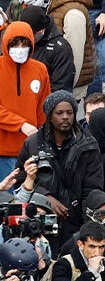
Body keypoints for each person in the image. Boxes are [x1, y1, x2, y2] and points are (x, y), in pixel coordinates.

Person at [14, 90, 104, 244]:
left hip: (76, 219)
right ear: (49, 116)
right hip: (41, 218)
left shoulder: (88, 144)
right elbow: (21, 179)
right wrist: (46, 197)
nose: (65, 117)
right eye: (59, 113)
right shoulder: (33, 143)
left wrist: (85, 223)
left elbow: (94, 186)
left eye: (70, 112)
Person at [35, 0, 96, 97]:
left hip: (68, 89)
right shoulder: (57, 0)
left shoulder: (73, 12)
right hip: (59, 84)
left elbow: (75, 56)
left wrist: (64, 92)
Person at [0, 21, 49, 180]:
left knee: (27, 201)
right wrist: (21, 125)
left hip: (30, 152)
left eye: (24, 44)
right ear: (6, 43)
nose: (20, 49)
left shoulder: (40, 69)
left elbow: (44, 109)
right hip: (2, 152)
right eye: (15, 44)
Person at [18, 4, 75, 93]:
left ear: (41, 30)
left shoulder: (61, 49)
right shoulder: (17, 41)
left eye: (31, 34)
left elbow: (60, 86)